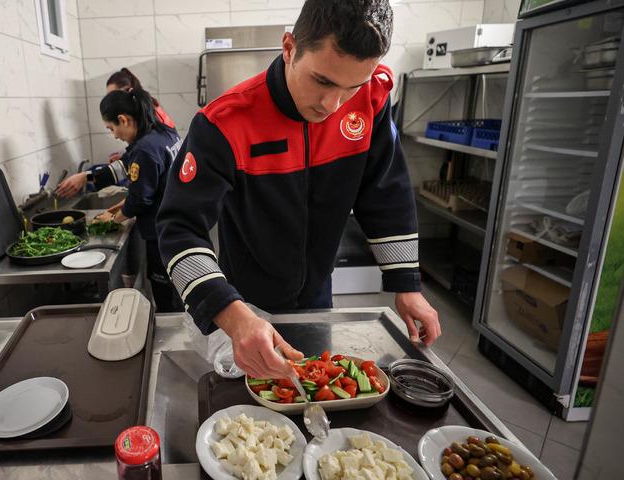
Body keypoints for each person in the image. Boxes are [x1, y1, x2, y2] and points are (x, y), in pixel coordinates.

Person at [155, 0, 441, 380]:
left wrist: (407, 285)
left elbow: (385, 192)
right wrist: (233, 315)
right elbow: (178, 227)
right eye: (322, 81)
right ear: (289, 48)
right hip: (245, 301)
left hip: (318, 298)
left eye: (351, 87)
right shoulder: (225, 122)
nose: (332, 105)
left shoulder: (371, 103)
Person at [56, 87, 184, 312]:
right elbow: (152, 187)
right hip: (179, 227)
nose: (114, 135)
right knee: (179, 293)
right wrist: (113, 202)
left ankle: (171, 341)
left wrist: (112, 220)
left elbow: (140, 200)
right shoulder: (165, 133)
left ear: (123, 120)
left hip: (162, 234)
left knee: (167, 299)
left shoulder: (144, 149)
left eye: (111, 128)